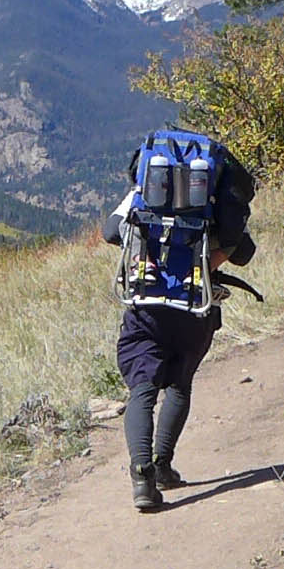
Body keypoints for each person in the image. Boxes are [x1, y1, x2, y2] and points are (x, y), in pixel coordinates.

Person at [98, 132, 255, 514]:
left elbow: (109, 232)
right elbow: (244, 253)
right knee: (180, 386)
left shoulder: (141, 193)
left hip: (145, 304)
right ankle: (164, 464)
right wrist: (210, 256)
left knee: (142, 389)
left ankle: (142, 476)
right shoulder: (214, 199)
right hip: (194, 305)